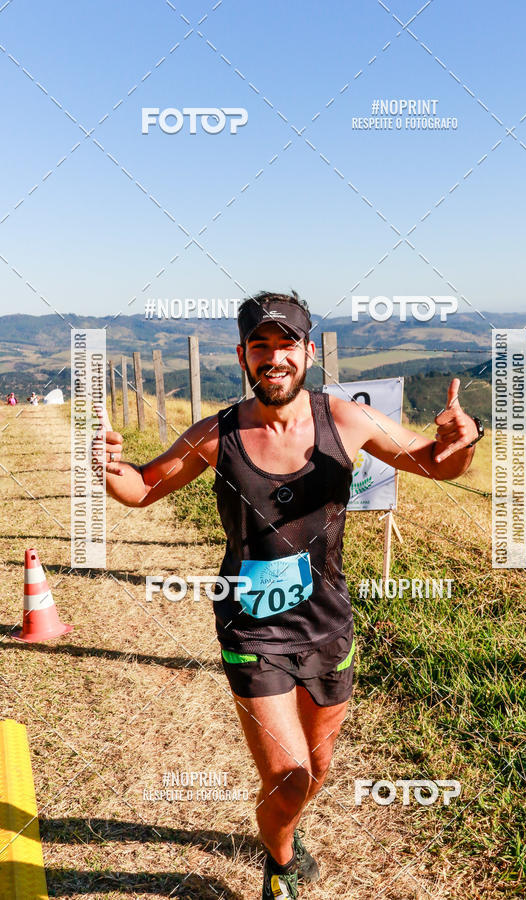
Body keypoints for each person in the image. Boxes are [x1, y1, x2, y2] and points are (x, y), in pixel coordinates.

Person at [101, 290, 483, 899]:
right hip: (252, 626)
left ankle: (287, 828)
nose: (273, 358)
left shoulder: (346, 420)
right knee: (287, 773)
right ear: (243, 356)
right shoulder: (216, 435)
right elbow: (143, 488)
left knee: (317, 769)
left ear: (307, 352)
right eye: (260, 347)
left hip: (328, 623)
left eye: (286, 346)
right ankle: (279, 865)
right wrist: (110, 465)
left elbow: (437, 464)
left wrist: (465, 438)